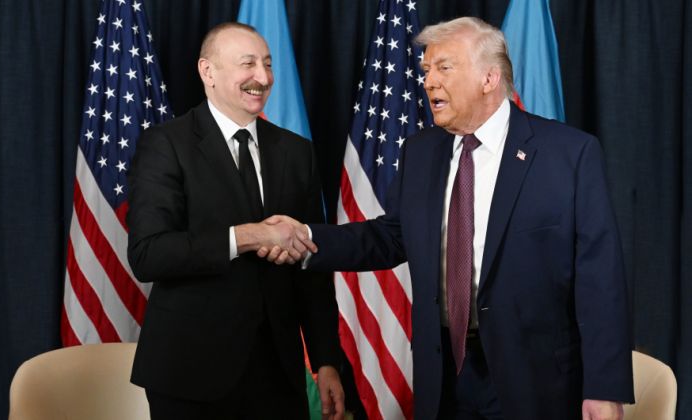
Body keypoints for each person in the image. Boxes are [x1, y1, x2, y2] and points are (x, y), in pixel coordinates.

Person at [260, 17, 634, 420]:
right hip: (443, 377)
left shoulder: (568, 154)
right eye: (426, 70)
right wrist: (304, 238)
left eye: (444, 68)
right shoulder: (422, 151)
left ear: (489, 78)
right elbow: (390, 237)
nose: (429, 81)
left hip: (536, 381)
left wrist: (604, 388)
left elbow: (601, 280)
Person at [127, 22, 344, 420]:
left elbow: (311, 267)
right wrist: (247, 236)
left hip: (278, 377)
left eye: (268, 64)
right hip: (190, 374)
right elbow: (149, 253)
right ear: (207, 71)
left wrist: (327, 359)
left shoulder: (297, 153)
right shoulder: (166, 144)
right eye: (248, 64)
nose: (263, 77)